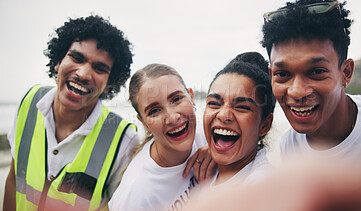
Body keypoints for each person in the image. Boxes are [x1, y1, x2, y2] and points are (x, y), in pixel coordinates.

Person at [4, 15, 139, 211]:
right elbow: (13, 181)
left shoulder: (125, 140)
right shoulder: (28, 101)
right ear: (58, 60)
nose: (83, 74)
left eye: (99, 68)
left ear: (109, 85)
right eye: (77, 57)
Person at [261, 0, 361, 166]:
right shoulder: (290, 147)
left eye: (317, 72)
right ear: (271, 76)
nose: (297, 92)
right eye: (282, 74)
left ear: (346, 73)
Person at [108, 64, 215, 211]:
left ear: (191, 97)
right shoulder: (134, 197)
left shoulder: (211, 136)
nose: (172, 118)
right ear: (144, 122)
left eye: (177, 99)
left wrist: (220, 153)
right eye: (155, 111)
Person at [202, 52, 275, 187]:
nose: (223, 115)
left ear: (264, 125)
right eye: (214, 103)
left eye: (242, 107)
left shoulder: (262, 186)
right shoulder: (198, 164)